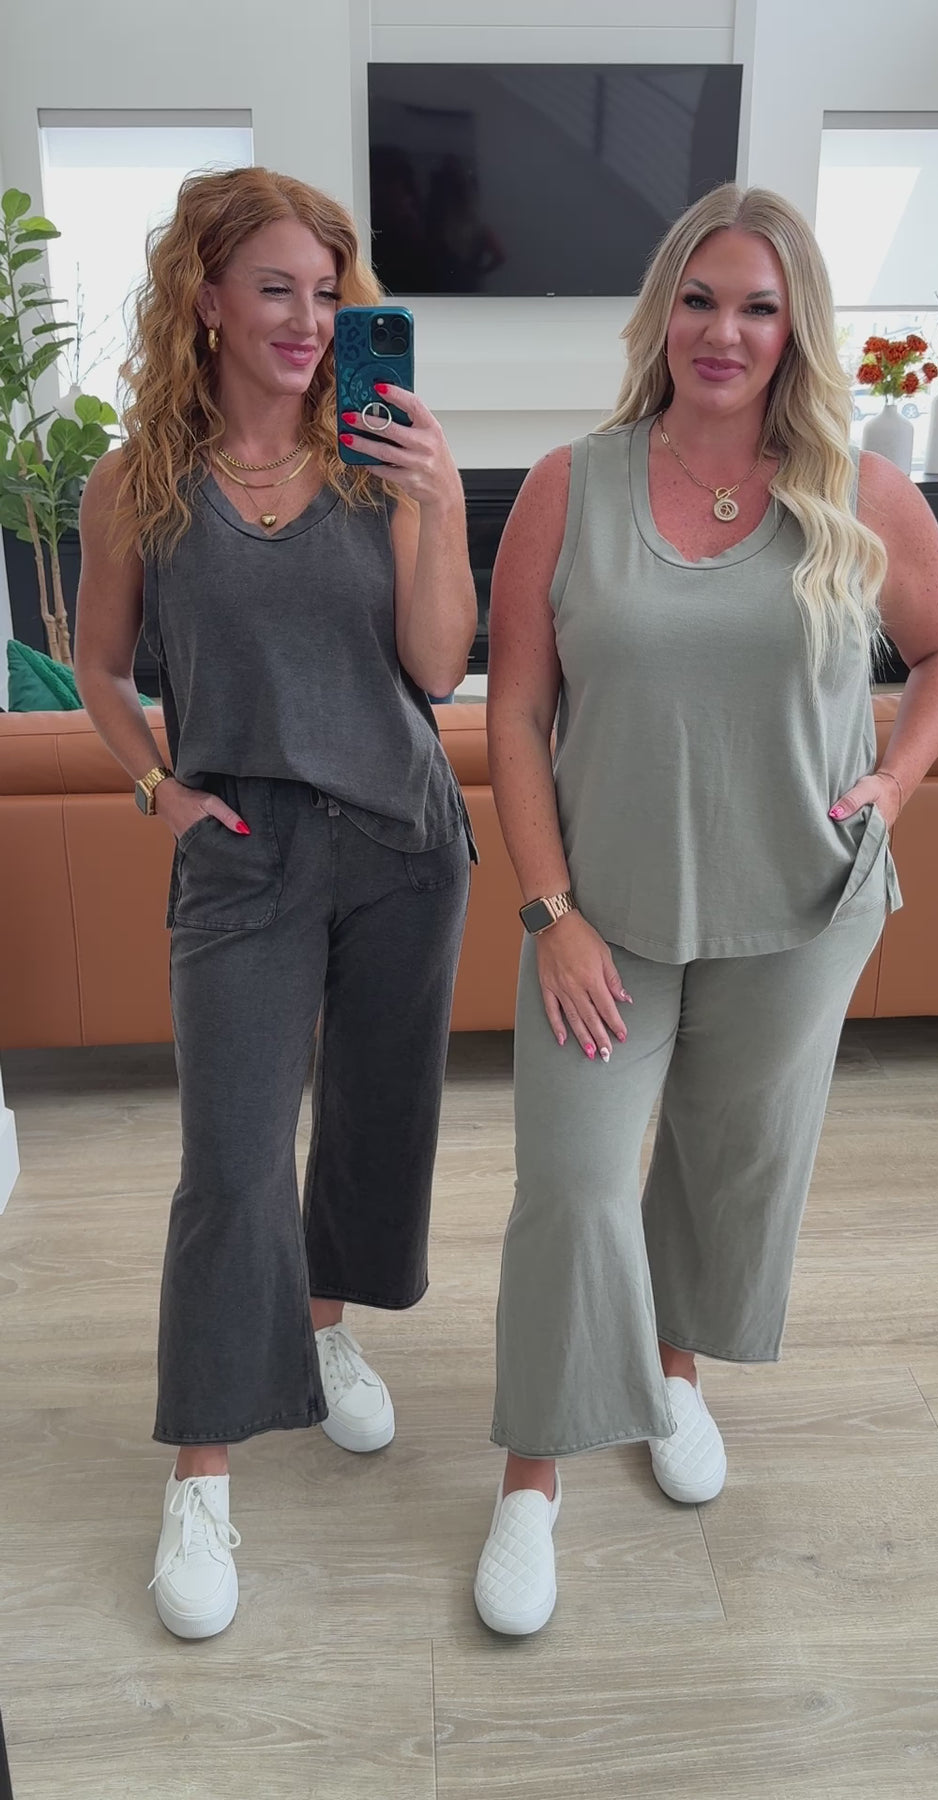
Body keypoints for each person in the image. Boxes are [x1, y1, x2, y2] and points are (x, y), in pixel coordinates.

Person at [474, 182, 938, 1637]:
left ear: (795, 329)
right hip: (602, 918)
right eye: (698, 299)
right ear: (661, 313)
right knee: (572, 1188)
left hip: (800, 909)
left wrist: (890, 784)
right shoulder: (571, 485)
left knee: (724, 1166)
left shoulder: (861, 493)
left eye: (759, 306)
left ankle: (671, 1372)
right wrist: (548, 909)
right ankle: (532, 1476)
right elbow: (512, 713)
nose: (723, 331)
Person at [75, 166, 476, 1639]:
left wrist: (439, 503)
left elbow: (437, 669)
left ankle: (321, 1330)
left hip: (401, 843)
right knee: (231, 1164)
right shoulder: (136, 483)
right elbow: (100, 667)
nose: (309, 320)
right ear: (207, 300)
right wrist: (154, 787)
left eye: (327, 292)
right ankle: (203, 1468)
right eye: (276, 290)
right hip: (240, 850)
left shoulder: (380, 458)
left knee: (375, 1121)